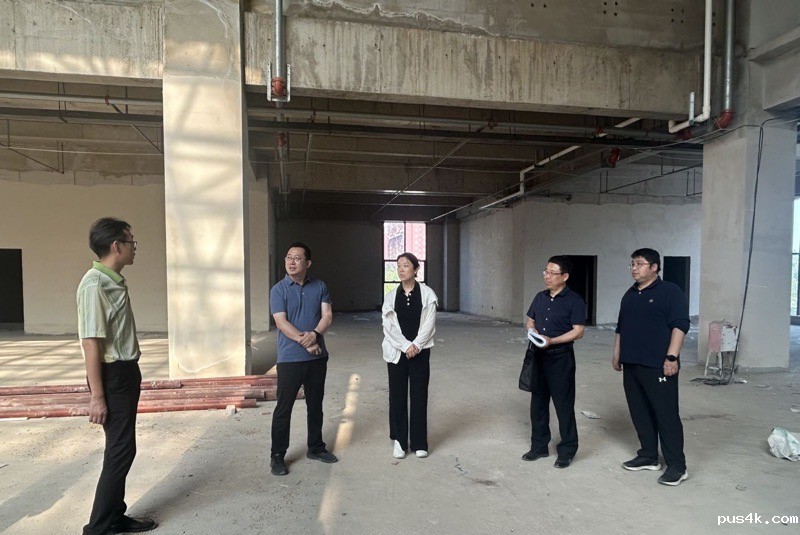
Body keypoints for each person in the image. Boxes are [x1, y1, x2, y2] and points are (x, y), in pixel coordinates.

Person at [77, 217, 157, 535]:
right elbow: (91, 343)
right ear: (116, 245)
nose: (134, 247)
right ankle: (98, 528)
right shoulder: (95, 285)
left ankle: (114, 515)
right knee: (120, 450)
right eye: (130, 241)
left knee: (121, 448)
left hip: (125, 372)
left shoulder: (112, 280)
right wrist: (97, 397)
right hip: (113, 375)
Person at [613, 248, 690, 486]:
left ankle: (677, 466)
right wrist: (617, 353)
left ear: (654, 267)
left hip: (659, 364)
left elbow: (680, 325)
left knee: (666, 414)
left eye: (639, 264)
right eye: (632, 264)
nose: (634, 268)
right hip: (632, 363)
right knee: (639, 411)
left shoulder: (670, 292)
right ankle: (648, 455)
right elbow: (621, 327)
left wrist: (672, 357)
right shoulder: (629, 294)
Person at [269, 242, 336, 476]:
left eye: (297, 258)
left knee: (315, 404)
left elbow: (327, 316)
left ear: (308, 263)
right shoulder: (278, 290)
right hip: (290, 358)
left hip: (317, 358)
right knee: (283, 408)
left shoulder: (320, 286)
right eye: (288, 257)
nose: (291, 261)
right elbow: (281, 323)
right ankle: (277, 455)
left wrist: (315, 334)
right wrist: (307, 343)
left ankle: (315, 447)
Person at [522, 255, 586, 469]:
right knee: (538, 403)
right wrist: (533, 332)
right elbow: (530, 320)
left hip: (561, 357)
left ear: (565, 276)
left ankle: (567, 450)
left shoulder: (574, 300)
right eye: (545, 272)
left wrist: (552, 341)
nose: (547, 276)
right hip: (538, 356)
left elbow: (578, 331)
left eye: (552, 273)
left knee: (563, 405)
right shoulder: (540, 297)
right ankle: (539, 446)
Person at [381, 252, 438, 459]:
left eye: (405, 265)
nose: (401, 269)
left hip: (420, 352)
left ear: (415, 269)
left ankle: (419, 442)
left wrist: (416, 345)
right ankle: (399, 441)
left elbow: (429, 324)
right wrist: (406, 346)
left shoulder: (427, 294)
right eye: (398, 266)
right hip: (397, 352)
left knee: (419, 395)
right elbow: (388, 326)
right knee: (397, 395)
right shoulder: (390, 296)